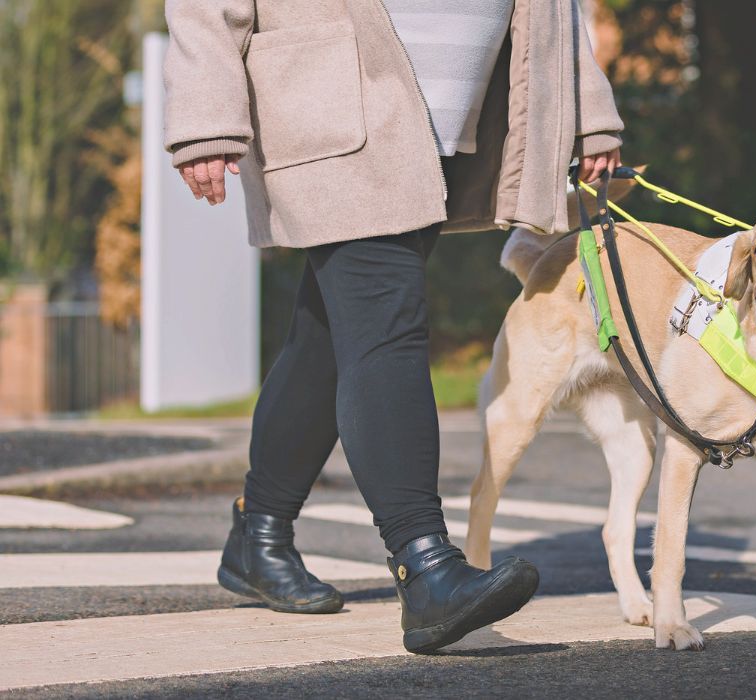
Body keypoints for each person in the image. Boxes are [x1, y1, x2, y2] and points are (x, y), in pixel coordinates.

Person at [162, 0, 623, 654]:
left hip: (448, 122)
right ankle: (426, 566)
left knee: (330, 335)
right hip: (332, 99)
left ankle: (257, 537)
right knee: (386, 324)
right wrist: (204, 117)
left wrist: (584, 114)